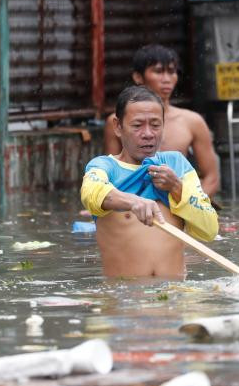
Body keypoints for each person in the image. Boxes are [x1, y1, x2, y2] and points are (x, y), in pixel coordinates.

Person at [82, 85, 218, 278]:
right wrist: (133, 202)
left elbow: (209, 229)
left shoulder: (177, 164)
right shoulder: (104, 167)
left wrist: (176, 188)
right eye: (137, 126)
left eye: (155, 125)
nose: (148, 133)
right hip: (124, 300)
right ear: (118, 127)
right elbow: (91, 192)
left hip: (176, 298)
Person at [104, 44, 219, 198]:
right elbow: (110, 174)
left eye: (171, 72)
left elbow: (212, 177)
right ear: (138, 77)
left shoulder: (193, 121)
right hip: (133, 204)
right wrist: (112, 203)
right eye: (158, 71)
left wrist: (194, 205)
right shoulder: (117, 122)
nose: (166, 79)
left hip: (179, 199)